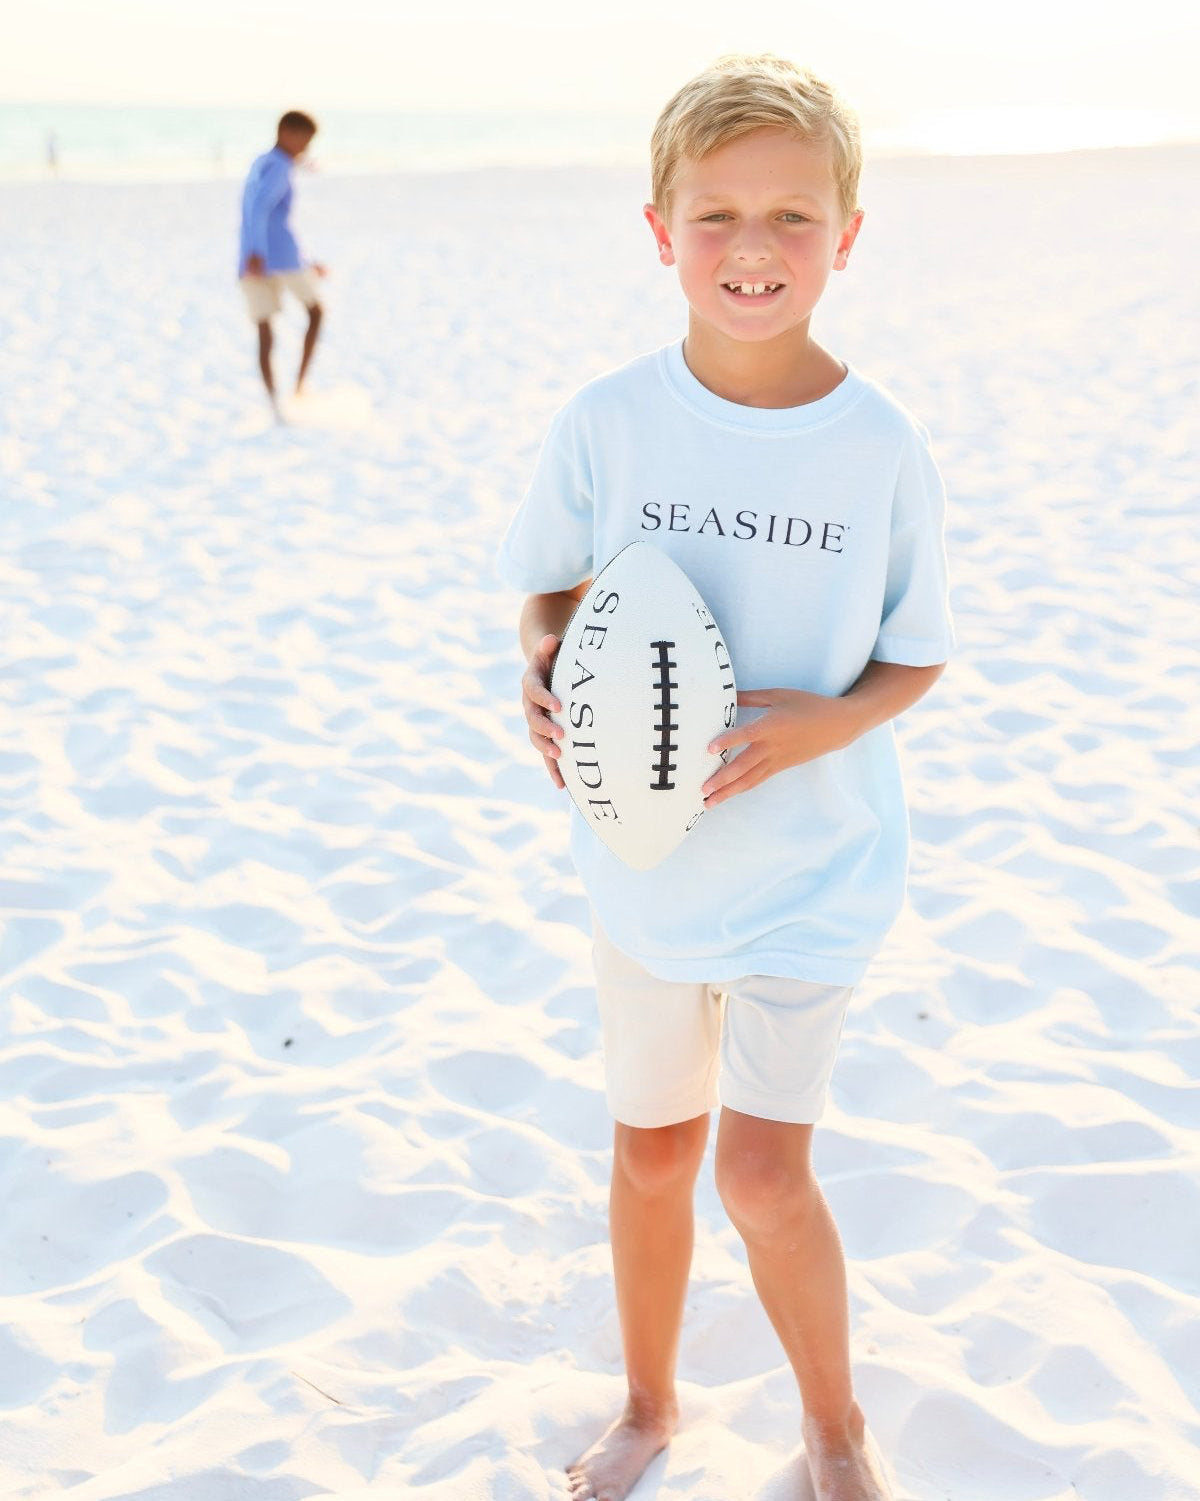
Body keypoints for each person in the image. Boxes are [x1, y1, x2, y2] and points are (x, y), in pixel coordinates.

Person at [498, 53, 954, 1501]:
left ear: (849, 235)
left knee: (760, 1172)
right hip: (643, 859)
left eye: (792, 218)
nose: (753, 249)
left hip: (814, 867)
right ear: (658, 229)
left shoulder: (877, 444)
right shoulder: (610, 423)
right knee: (650, 1159)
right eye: (716, 216)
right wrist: (541, 679)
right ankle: (649, 1404)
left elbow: (918, 657)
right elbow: (550, 599)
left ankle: (836, 1428)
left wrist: (820, 727)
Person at [237, 110, 326, 416]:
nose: (306, 147)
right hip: (276, 257)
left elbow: (255, 212)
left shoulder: (263, 161)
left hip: (253, 257)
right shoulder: (281, 166)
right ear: (289, 133)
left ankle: (275, 402)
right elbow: (262, 210)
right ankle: (299, 386)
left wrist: (251, 252)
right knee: (315, 312)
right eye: (305, 140)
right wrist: (258, 252)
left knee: (265, 330)